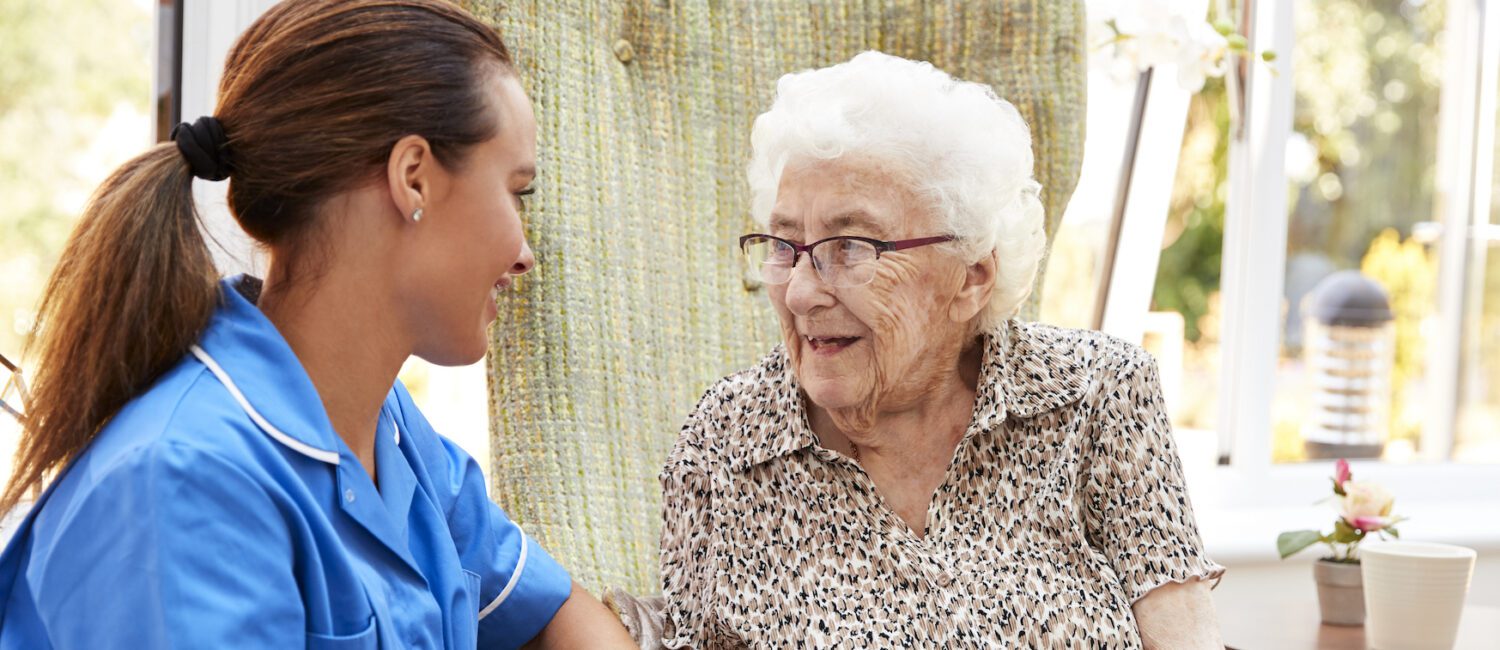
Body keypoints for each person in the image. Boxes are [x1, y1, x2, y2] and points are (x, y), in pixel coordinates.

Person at [0, 1, 634, 647]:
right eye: (515, 190)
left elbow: (559, 618)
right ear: (413, 179)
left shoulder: (390, 434)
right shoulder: (186, 482)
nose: (526, 254)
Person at [658, 51, 1225, 648]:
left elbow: (1184, 635)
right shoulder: (726, 440)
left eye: (849, 247)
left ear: (971, 276)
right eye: (784, 244)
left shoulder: (1100, 394)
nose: (799, 292)